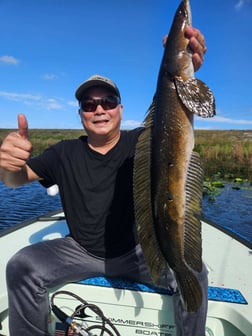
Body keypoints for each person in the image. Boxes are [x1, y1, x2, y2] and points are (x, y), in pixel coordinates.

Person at [0, 27, 208, 336]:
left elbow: (173, 119)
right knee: (20, 265)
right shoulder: (63, 153)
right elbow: (17, 179)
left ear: (121, 110)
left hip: (137, 252)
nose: (99, 109)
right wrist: (8, 166)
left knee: (193, 269)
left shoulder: (144, 142)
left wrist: (184, 75)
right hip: (79, 251)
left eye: (108, 101)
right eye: (89, 104)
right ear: (81, 114)